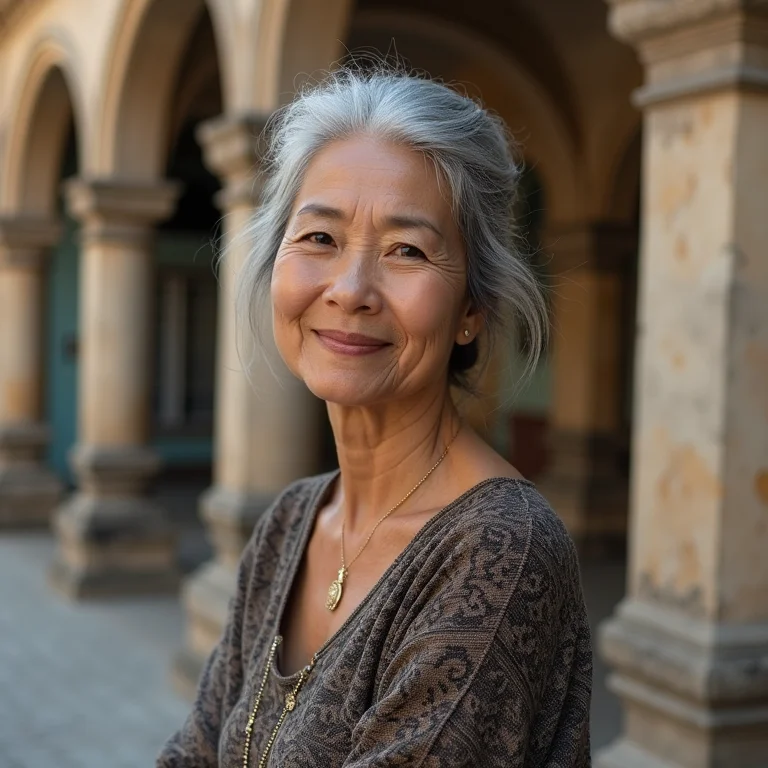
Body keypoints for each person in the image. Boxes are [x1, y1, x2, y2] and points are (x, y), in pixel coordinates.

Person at [157, 65, 592, 768]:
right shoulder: (290, 523)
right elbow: (197, 749)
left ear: (471, 313)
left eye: (407, 251)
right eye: (320, 239)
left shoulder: (499, 552)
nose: (351, 290)